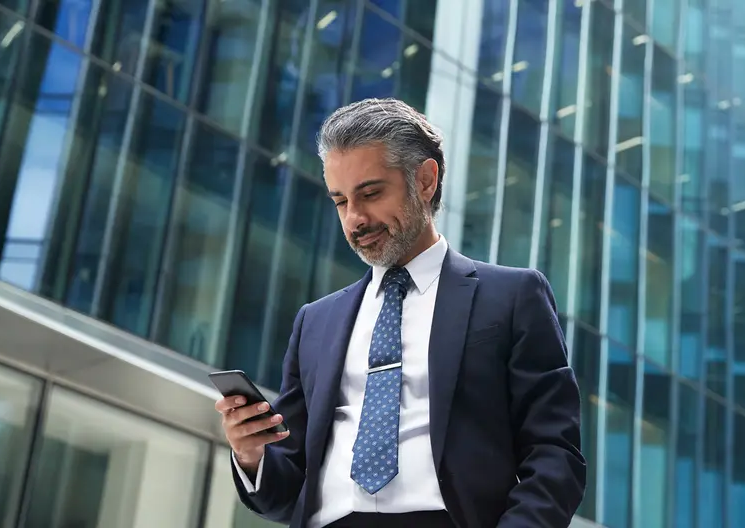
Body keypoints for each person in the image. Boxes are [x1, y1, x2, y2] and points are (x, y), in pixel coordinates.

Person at [214, 98, 586, 528]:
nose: (355, 218)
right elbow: (287, 493)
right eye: (340, 201)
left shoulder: (512, 296)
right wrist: (252, 453)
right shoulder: (315, 322)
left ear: (425, 180)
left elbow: (555, 452)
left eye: (370, 194)